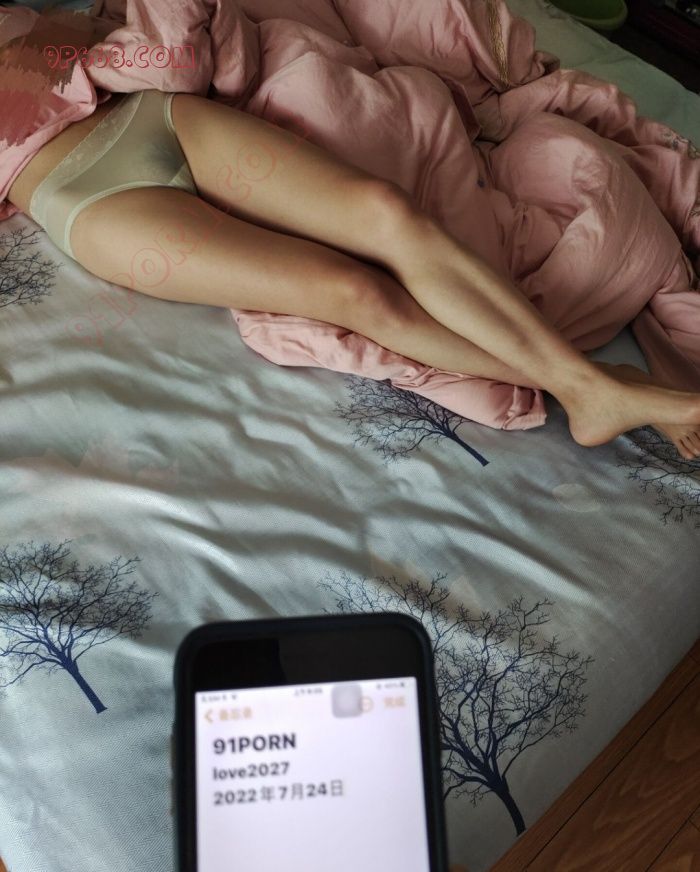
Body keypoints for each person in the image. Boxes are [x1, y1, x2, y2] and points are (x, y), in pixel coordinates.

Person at [3, 9, 700, 460]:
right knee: (350, 291)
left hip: (154, 114)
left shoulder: (27, 16)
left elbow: (164, 50)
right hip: (93, 198)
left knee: (385, 210)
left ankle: (588, 388)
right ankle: (593, 386)